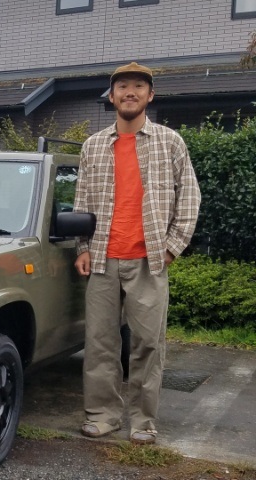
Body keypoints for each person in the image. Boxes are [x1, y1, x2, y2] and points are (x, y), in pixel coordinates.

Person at [73, 61, 201, 445]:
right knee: (100, 343)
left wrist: (172, 248)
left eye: (138, 87)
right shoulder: (93, 145)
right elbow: (81, 201)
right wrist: (82, 247)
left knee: (148, 344)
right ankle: (103, 415)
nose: (130, 92)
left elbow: (190, 197)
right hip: (101, 258)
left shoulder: (169, 141)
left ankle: (143, 421)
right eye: (123, 86)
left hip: (149, 259)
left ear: (150, 95)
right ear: (111, 96)